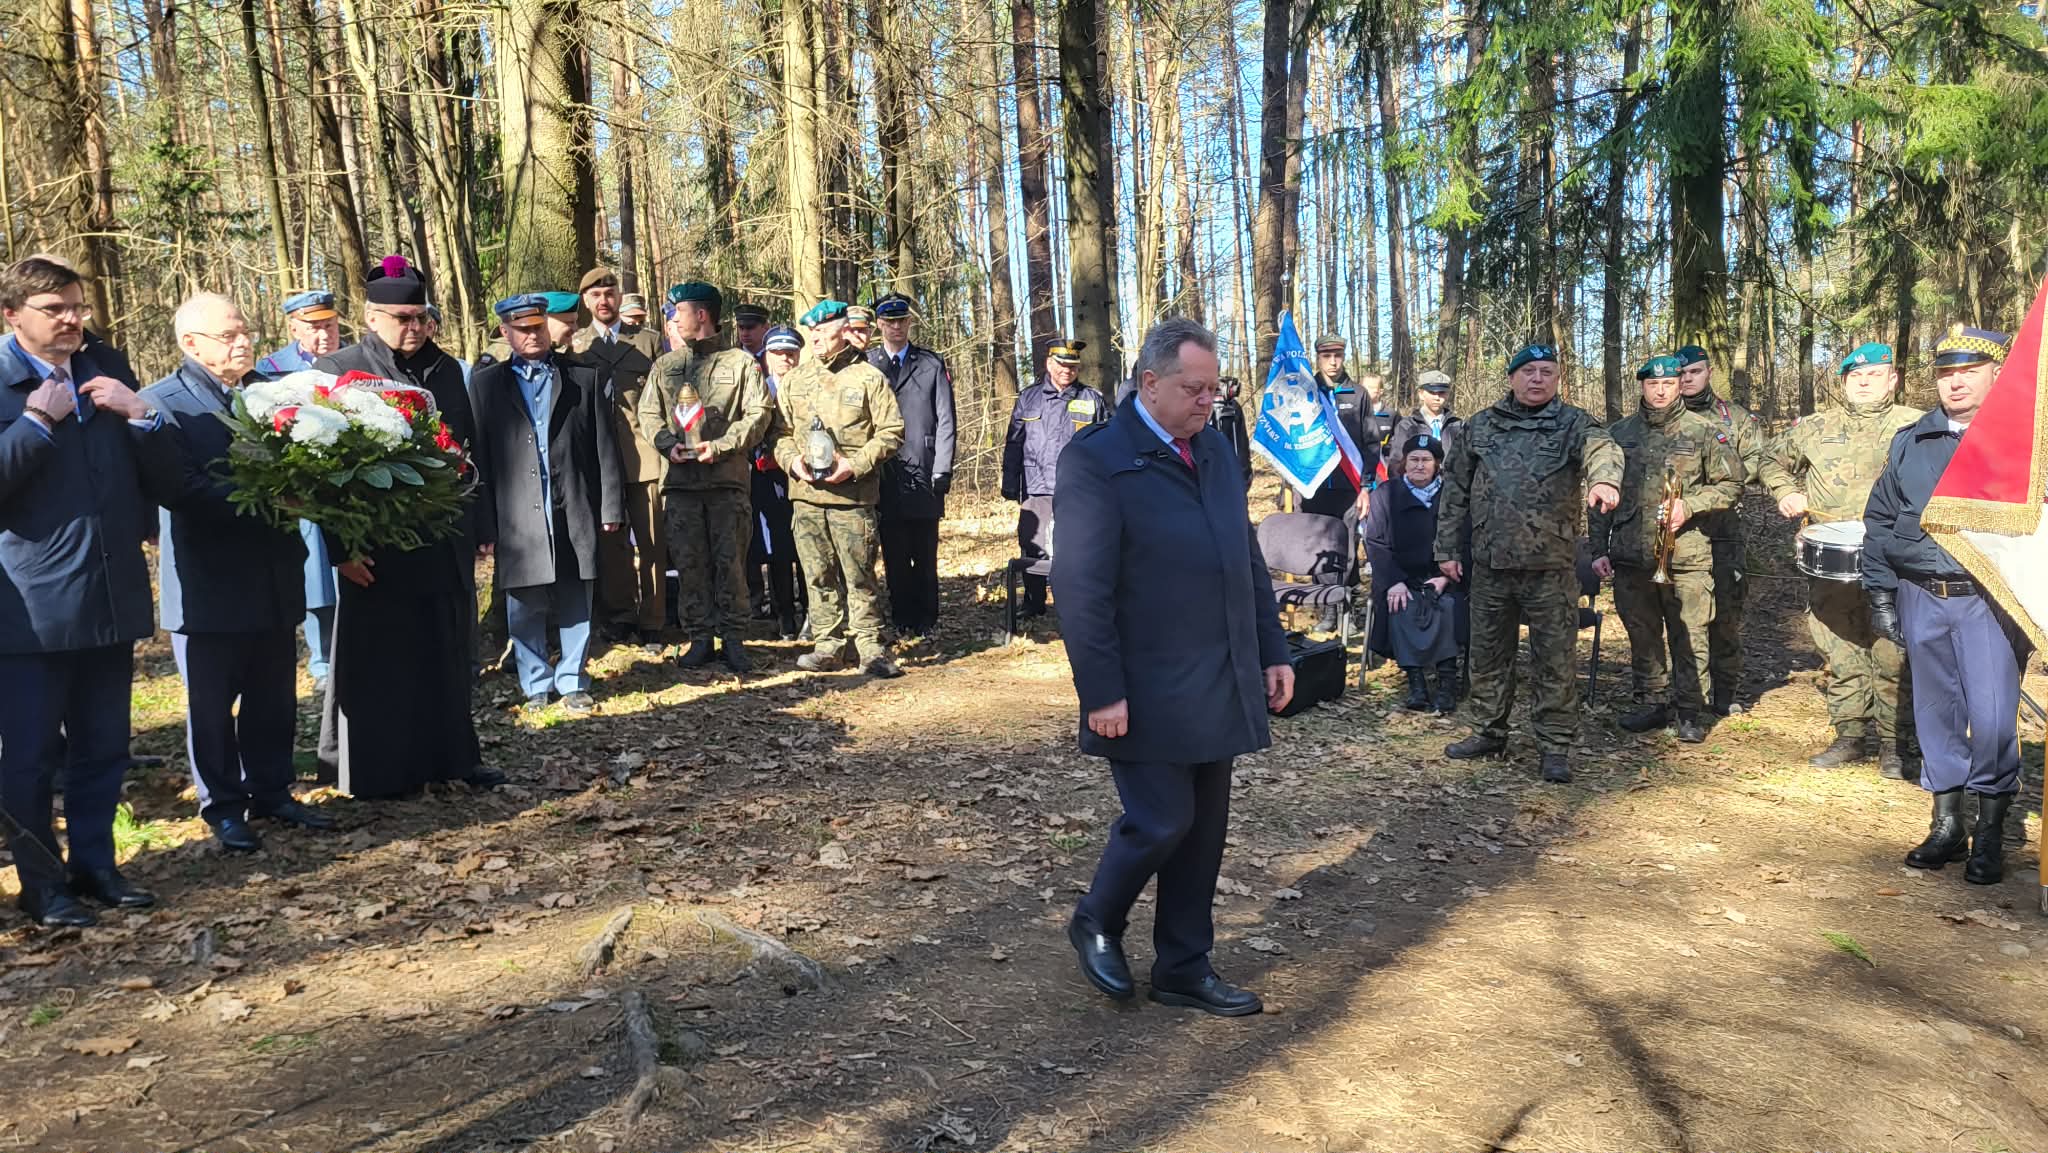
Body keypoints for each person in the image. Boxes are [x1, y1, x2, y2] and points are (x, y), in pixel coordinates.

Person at [1054, 317, 1294, 1017]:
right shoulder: (1098, 458)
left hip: (1218, 670)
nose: (1208, 401)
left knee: (1203, 830)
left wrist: (1272, 650)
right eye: (1195, 389)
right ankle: (1097, 918)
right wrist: (1101, 689)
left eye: (1214, 388)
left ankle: (1184, 966)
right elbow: (1080, 585)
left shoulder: (1213, 448)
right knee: (1161, 818)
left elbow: (1243, 557)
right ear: (1150, 383)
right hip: (1144, 678)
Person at [0, 255, 179, 925]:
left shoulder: (106, 366)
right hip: (31, 610)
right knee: (30, 757)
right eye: (55, 309)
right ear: (11, 315)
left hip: (110, 592)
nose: (73, 319)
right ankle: (41, 884)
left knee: (104, 747)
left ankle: (96, 866)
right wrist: (33, 424)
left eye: (78, 306)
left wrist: (141, 414)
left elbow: (157, 472)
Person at [147, 293, 334, 854]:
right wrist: (271, 499)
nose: (243, 342)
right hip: (209, 583)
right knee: (211, 708)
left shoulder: (270, 393)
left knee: (272, 697)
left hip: (273, 573)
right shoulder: (162, 406)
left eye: (245, 331)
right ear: (191, 344)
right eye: (228, 335)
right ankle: (224, 806)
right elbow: (182, 490)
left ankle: (272, 790)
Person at [314, 255, 501, 796]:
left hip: (442, 539)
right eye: (403, 319)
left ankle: (452, 757)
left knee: (446, 651)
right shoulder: (340, 369)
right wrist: (341, 550)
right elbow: (321, 470)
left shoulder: (447, 370)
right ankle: (378, 769)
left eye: (421, 317)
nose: (415, 327)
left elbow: (469, 450)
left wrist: (481, 524)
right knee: (381, 658)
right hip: (375, 545)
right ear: (371, 317)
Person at [1864, 325, 2030, 881]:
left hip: (1989, 601)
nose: (1955, 383)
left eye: (1969, 372)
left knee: (1992, 717)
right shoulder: (1912, 441)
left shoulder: (2025, 443)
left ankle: (1990, 834)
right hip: (1921, 595)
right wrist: (1881, 591)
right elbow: (1880, 519)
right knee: (1935, 714)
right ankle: (1948, 825)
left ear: (1996, 375)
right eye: (1945, 373)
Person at [1437, 343, 1625, 783]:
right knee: (1487, 655)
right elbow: (1454, 489)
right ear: (1512, 377)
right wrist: (1445, 549)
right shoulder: (1481, 425)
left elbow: (1603, 449)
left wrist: (1604, 480)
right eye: (1528, 371)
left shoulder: (1574, 423)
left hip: (1551, 568)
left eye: (1547, 372)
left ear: (1558, 379)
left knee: (1555, 660)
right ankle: (1488, 730)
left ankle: (1554, 746)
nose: (1537, 379)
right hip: (1491, 565)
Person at [1761, 342, 1923, 775]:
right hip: (1831, 557)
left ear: (1892, 380)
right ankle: (1850, 734)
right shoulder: (1816, 426)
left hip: (1895, 557)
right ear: (1844, 382)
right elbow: (1769, 460)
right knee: (1840, 647)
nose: (1864, 383)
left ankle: (1895, 743)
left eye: (1874, 375)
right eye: (1856, 376)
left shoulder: (1917, 426)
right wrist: (1786, 491)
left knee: (1894, 651)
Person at [472, 294, 623, 714]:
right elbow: (479, 458)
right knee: (524, 601)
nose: (532, 336)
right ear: (506, 333)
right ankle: (535, 681)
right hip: (516, 512)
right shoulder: (485, 385)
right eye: (522, 330)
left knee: (577, 594)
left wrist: (611, 506)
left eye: (538, 327)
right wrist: (483, 523)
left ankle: (573, 679)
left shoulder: (582, 378)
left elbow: (605, 447)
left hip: (572, 503)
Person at [1590, 355, 1743, 745]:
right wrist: (1598, 548)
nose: (1660, 391)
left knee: (1690, 634)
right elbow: (1601, 497)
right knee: (1642, 634)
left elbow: (1731, 485)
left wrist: (1689, 506)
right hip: (1630, 554)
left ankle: (1689, 710)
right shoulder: (1618, 433)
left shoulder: (1705, 431)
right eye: (1652, 384)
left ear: (1679, 385)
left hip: (1687, 556)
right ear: (1642, 386)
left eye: (1668, 384)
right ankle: (1652, 702)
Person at [638, 282, 771, 673]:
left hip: (726, 483)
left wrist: (723, 445)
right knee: (689, 563)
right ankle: (699, 638)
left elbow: (759, 414)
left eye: (679, 312)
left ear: (701, 315)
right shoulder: (665, 366)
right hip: (681, 485)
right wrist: (667, 445)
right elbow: (649, 413)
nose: (674, 319)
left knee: (731, 564)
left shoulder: (740, 363)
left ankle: (734, 639)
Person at [771, 301, 905, 677]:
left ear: (843, 331)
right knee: (817, 574)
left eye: (823, 331)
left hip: (853, 498)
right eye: (811, 332)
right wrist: (792, 461)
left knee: (859, 575)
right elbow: (778, 433)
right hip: (807, 497)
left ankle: (870, 648)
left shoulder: (868, 378)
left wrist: (855, 465)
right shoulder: (795, 380)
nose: (815, 338)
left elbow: (892, 432)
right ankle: (828, 645)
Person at [254, 291, 346, 688]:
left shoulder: (353, 362)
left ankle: (354, 651)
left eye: (329, 325)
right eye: (314, 327)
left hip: (350, 484)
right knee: (315, 575)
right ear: (294, 329)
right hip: (301, 489)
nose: (324, 334)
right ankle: (322, 661)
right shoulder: (270, 371)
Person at [572, 267, 666, 647]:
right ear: (585, 301)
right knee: (611, 545)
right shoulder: (576, 346)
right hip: (598, 460)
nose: (603, 301)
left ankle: (654, 618)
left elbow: (665, 399)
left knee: (652, 541)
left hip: (644, 456)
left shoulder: (648, 341)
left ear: (619, 296)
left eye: (609, 293)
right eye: (595, 295)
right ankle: (620, 616)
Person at [1673, 344, 1766, 716]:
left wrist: (1716, 475)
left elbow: (1757, 464)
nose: (1686, 379)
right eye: (1680, 373)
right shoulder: (1664, 418)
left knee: (1725, 616)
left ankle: (1724, 693)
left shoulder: (1735, 419)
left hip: (1722, 533)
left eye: (1694, 372)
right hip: (1678, 536)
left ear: (1709, 372)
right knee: (1683, 619)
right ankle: (1687, 695)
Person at [869, 292, 956, 638]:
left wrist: (943, 468)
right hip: (884, 472)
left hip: (924, 467)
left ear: (909, 323)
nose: (896, 327)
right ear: (879, 324)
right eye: (889, 322)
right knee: (894, 551)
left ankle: (927, 618)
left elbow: (946, 420)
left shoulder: (930, 364)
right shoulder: (869, 365)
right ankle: (902, 616)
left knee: (924, 551)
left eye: (902, 321)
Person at [1002, 338, 1106, 617]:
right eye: (1061, 365)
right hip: (1036, 487)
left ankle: (1074, 603)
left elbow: (1106, 447)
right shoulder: (1029, 398)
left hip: (1078, 491)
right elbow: (1014, 443)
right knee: (1032, 544)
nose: (1066, 371)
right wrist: (1009, 481)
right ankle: (1033, 602)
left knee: (1077, 547)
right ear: (1049, 364)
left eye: (1072, 366)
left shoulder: (1092, 400)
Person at [1365, 433, 1466, 713]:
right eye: (1414, 459)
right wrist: (1394, 581)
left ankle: (1447, 681)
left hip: (1445, 576)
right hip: (1400, 577)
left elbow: (1467, 540)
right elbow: (1375, 542)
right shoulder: (1385, 494)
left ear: (1437, 464)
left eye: (1426, 460)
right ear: (1404, 463)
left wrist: (1446, 577)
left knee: (1447, 606)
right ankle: (1416, 683)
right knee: (1401, 604)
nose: (1419, 466)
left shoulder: (1453, 497)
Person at [751, 325, 806, 639]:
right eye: (778, 353)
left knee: (808, 548)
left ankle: (811, 611)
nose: (785, 359)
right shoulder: (759, 390)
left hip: (806, 478)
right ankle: (784, 614)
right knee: (777, 549)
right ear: (767, 357)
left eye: (790, 353)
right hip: (769, 480)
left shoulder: (810, 388)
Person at [1301, 334, 1374, 519]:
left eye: (1338, 355)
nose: (1333, 362)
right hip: (1313, 485)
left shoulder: (1359, 394)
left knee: (1347, 536)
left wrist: (1366, 486)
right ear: (1318, 358)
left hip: (1349, 485)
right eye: (1326, 356)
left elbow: (1371, 443)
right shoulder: (1305, 393)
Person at [1391, 370, 1464, 464]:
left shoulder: (1457, 425)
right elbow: (1396, 461)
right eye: (1432, 393)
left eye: (1442, 393)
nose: (1437, 398)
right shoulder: (1407, 425)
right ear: (1421, 394)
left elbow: (1466, 460)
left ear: (1448, 394)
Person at [1210, 375, 1252, 491]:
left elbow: (1241, 446)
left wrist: (1244, 476)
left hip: (1231, 481)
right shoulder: (1198, 406)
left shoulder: (1233, 407)